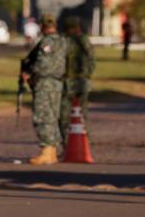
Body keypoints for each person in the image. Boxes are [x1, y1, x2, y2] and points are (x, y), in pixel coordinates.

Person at [21, 14, 67, 165]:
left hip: (45, 83)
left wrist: (29, 73)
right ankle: (52, 150)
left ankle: (47, 151)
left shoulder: (46, 42)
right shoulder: (62, 41)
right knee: (53, 116)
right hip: (57, 83)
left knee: (43, 116)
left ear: (42, 26)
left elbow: (43, 64)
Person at [60, 16, 95, 148]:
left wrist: (85, 75)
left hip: (76, 82)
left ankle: (81, 146)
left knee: (74, 116)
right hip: (74, 82)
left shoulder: (79, 40)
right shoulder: (71, 40)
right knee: (72, 116)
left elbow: (91, 60)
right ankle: (73, 146)